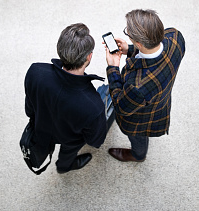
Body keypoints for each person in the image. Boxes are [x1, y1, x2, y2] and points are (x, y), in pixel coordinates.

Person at [24, 23, 112, 174]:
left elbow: (30, 107)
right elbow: (95, 140)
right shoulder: (93, 105)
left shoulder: (35, 71)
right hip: (70, 139)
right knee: (68, 152)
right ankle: (64, 167)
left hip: (41, 126)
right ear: (89, 57)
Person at [104, 9, 185, 162]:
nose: (127, 33)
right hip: (161, 102)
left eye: (128, 33)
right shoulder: (176, 37)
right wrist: (130, 49)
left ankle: (138, 155)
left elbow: (121, 106)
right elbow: (155, 46)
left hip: (141, 118)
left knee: (138, 137)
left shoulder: (137, 86)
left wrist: (113, 68)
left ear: (140, 43)